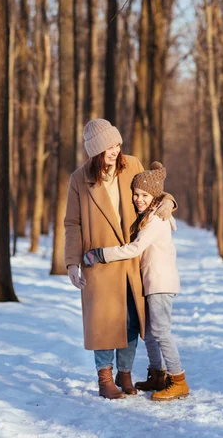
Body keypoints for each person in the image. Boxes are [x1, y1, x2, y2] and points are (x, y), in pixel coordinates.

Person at [64, 119, 176, 400]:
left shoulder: (133, 165)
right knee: (103, 321)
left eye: (117, 144)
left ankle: (124, 373)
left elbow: (157, 191)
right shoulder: (80, 179)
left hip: (129, 256)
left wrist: (170, 202)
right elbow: (72, 223)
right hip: (97, 259)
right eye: (108, 147)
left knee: (130, 320)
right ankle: (104, 377)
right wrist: (71, 263)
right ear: (95, 150)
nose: (115, 150)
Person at [84, 161, 189, 401]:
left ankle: (179, 379)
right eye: (135, 194)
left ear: (154, 197)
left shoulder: (155, 220)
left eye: (144, 195)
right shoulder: (150, 215)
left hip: (161, 283)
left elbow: (135, 248)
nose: (137, 199)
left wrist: (102, 254)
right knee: (150, 333)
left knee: (161, 332)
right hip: (152, 283)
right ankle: (156, 374)